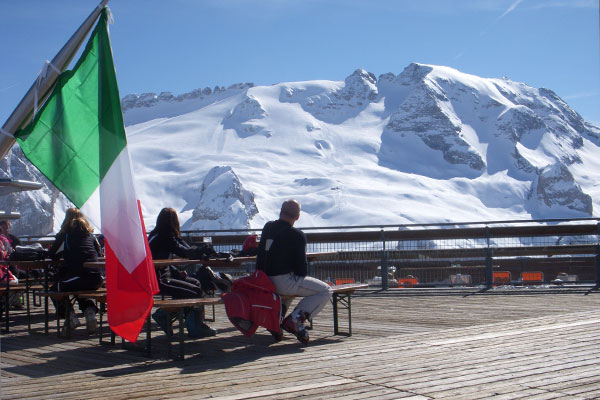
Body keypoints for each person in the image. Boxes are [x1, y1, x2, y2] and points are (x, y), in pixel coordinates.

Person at [256, 199, 332, 345]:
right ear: (297, 217)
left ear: (280, 212)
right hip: (282, 281)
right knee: (326, 290)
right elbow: (301, 270)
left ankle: (276, 322)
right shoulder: (297, 235)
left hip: (263, 280)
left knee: (289, 292)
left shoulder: (268, 227)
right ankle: (295, 320)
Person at [148, 207, 217, 337]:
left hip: (160, 276)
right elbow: (183, 251)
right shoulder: (165, 235)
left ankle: (174, 316)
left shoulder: (155, 234)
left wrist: (177, 272)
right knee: (195, 291)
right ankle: (190, 325)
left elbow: (165, 258)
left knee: (195, 283)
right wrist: (203, 251)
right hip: (159, 280)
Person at [48, 208, 103, 336]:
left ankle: (71, 317)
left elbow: (52, 254)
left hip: (79, 276)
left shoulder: (65, 234)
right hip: (97, 279)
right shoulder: (90, 235)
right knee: (77, 290)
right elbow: (99, 253)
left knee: (54, 289)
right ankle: (89, 312)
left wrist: (64, 254)